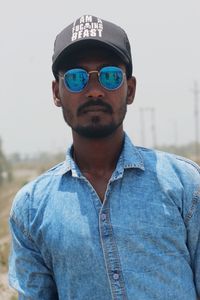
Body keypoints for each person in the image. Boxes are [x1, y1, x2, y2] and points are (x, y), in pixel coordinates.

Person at [9, 15, 200, 300]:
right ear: (56, 93)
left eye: (110, 76)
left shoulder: (185, 185)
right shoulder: (32, 209)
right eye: (76, 78)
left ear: (130, 89)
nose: (94, 91)